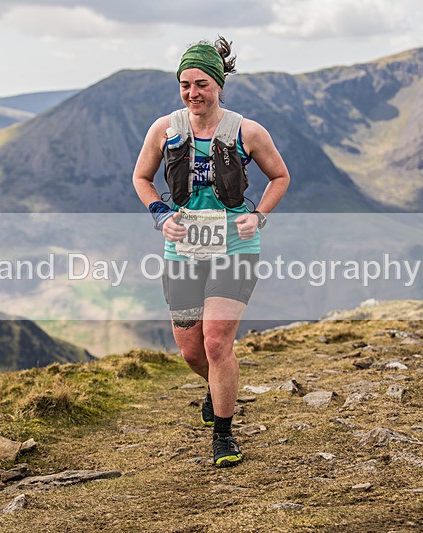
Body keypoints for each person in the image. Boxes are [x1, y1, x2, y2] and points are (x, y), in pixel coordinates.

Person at [132, 37, 290, 467]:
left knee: (217, 342)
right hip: (183, 249)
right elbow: (141, 178)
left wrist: (258, 216)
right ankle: (217, 386)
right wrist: (161, 214)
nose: (192, 93)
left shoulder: (247, 132)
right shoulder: (164, 130)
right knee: (192, 351)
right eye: (185, 85)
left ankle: (223, 433)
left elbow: (280, 177)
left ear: (219, 85)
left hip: (235, 247)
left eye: (201, 84)